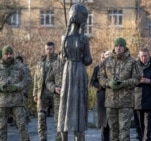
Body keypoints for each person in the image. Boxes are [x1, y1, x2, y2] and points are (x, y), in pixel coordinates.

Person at [58, 3, 92, 141]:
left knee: (65, 103)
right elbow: (88, 60)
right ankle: (79, 135)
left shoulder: (64, 38)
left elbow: (61, 58)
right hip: (79, 72)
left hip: (67, 71)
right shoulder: (83, 38)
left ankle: (64, 134)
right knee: (79, 103)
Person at [98, 37, 141, 141]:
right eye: (116, 46)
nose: (118, 48)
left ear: (124, 47)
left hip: (125, 102)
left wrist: (124, 83)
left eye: (121, 46)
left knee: (124, 130)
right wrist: (109, 83)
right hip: (111, 102)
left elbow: (137, 79)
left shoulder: (132, 61)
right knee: (113, 130)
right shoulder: (107, 61)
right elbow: (100, 77)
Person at [0, 45, 31, 141]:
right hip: (2, 103)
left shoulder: (20, 66)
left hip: (17, 102)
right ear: (2, 55)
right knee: (1, 128)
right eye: (6, 54)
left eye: (11, 54)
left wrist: (16, 87)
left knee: (22, 127)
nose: (9, 56)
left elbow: (28, 80)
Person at [33, 41, 58, 141]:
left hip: (55, 92)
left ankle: (59, 137)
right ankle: (42, 137)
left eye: (51, 49)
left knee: (58, 116)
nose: (49, 51)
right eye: (47, 49)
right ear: (45, 49)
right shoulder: (41, 62)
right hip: (43, 93)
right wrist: (35, 93)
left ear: (54, 49)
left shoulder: (59, 60)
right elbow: (36, 78)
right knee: (41, 116)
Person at [134, 48, 151, 141]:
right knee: (139, 126)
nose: (144, 58)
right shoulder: (134, 66)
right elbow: (128, 80)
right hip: (137, 99)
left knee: (148, 125)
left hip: (150, 98)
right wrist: (137, 81)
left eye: (145, 56)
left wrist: (149, 81)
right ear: (139, 56)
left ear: (149, 56)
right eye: (142, 56)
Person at [90, 50, 112, 141]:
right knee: (104, 122)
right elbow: (93, 82)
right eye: (105, 57)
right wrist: (101, 86)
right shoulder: (97, 68)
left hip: (113, 97)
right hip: (102, 96)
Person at [45, 56, 64, 141]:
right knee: (59, 124)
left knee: (76, 127)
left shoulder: (75, 64)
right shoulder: (55, 65)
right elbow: (48, 81)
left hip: (73, 100)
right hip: (58, 100)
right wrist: (54, 88)